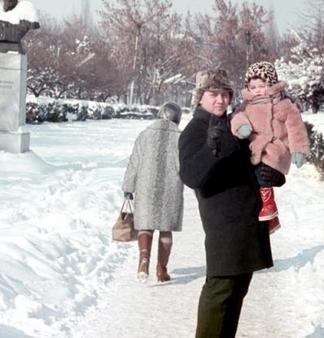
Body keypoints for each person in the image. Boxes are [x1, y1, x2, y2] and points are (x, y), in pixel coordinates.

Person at [178, 68, 274, 338]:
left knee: (237, 288)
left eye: (225, 94)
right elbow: (190, 175)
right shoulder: (195, 131)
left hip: (247, 217)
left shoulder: (235, 123)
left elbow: (256, 159)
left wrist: (273, 174)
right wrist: (210, 149)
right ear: (200, 97)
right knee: (221, 289)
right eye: (213, 94)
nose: (220, 100)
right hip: (224, 223)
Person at [230, 61, 310, 234]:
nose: (258, 90)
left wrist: (299, 150)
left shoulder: (285, 105)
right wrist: (242, 127)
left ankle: (268, 208)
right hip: (254, 148)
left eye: (262, 85)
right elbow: (238, 117)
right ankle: (269, 218)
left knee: (264, 171)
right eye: (253, 87)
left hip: (276, 148)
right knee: (252, 177)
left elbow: (296, 129)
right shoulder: (246, 106)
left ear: (272, 85)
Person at [122, 102, 185, 283]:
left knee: (146, 225)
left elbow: (134, 162)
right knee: (166, 230)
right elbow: (184, 166)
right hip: (171, 187)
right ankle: (161, 269)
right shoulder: (181, 137)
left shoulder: (145, 134)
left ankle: (143, 260)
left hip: (146, 185)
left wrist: (128, 187)